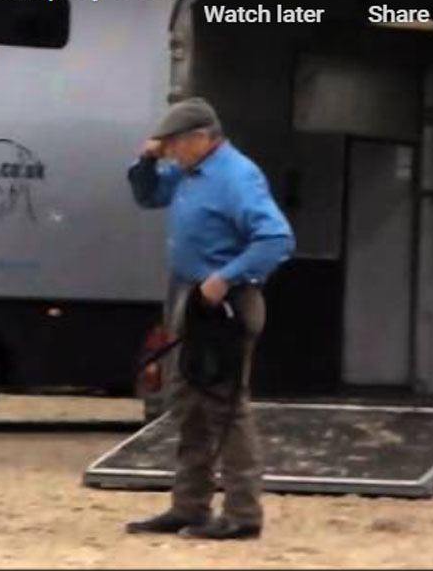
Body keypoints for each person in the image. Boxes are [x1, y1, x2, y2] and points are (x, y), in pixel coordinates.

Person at [124, 98, 293, 540]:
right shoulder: (188, 172)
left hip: (225, 301)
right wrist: (147, 158)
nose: (172, 152)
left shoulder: (236, 177)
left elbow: (276, 237)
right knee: (188, 402)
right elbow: (147, 196)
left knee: (225, 404)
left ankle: (242, 511)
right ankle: (189, 505)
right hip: (188, 296)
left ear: (202, 137)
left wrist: (226, 278)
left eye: (176, 143)